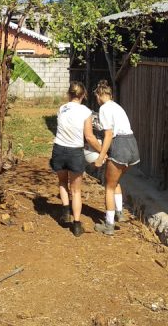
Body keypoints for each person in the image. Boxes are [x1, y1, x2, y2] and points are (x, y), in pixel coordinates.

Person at [50, 81, 103, 237]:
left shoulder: (62, 108)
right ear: (83, 95)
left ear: (69, 94)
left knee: (62, 182)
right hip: (75, 153)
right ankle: (77, 224)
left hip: (58, 149)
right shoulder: (86, 112)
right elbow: (89, 137)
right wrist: (102, 151)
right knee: (76, 190)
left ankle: (65, 211)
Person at [93, 80, 140, 236]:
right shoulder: (117, 106)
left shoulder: (104, 109)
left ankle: (109, 225)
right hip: (132, 146)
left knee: (108, 186)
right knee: (116, 181)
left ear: (99, 95)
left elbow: (108, 134)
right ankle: (119, 212)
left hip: (120, 145)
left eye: (96, 97)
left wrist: (100, 156)